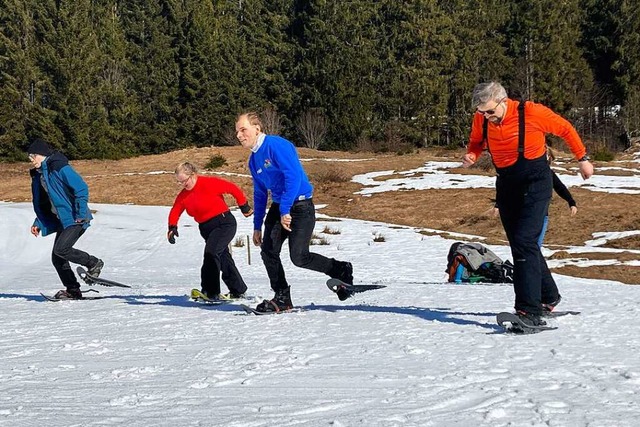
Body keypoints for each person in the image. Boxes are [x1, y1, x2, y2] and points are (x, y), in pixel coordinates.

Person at [462, 82, 594, 327]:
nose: (486, 117)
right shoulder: (482, 119)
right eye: (482, 113)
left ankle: (528, 312)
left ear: (503, 101)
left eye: (490, 112)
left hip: (536, 182)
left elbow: (565, 129)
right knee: (522, 244)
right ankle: (548, 296)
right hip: (506, 184)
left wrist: (582, 159)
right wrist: (472, 155)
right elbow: (476, 142)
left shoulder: (532, 112)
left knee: (524, 241)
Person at [235, 112, 354, 313]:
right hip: (280, 207)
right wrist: (256, 226)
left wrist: (285, 209)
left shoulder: (275, 145)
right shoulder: (254, 161)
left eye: (243, 129)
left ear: (257, 128)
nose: (239, 135)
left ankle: (340, 269)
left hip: (300, 207)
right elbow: (260, 192)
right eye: (237, 131)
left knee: (299, 257)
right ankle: (282, 297)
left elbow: (294, 177)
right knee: (268, 251)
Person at [28, 138, 104, 299]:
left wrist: (81, 214)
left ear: (41, 155)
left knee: (61, 249)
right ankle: (73, 290)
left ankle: (93, 263)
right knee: (57, 258)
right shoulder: (40, 175)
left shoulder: (59, 167)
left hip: (75, 218)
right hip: (62, 220)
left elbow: (81, 188)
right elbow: (46, 202)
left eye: (32, 156)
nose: (31, 160)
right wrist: (39, 221)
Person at [167, 162, 253, 300]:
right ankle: (238, 290)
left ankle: (210, 291)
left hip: (223, 223)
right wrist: (172, 227)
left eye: (184, 180)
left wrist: (244, 205)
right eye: (180, 182)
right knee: (223, 256)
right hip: (206, 228)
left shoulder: (209, 183)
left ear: (193, 174)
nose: (183, 184)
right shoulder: (184, 195)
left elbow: (233, 188)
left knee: (211, 253)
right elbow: (176, 210)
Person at [493, 170, 577, 247]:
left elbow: (560, 187)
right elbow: (507, 189)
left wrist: (571, 202)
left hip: (541, 216)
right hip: (522, 215)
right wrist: (498, 205)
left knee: (535, 246)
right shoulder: (523, 170)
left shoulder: (548, 173)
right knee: (525, 246)